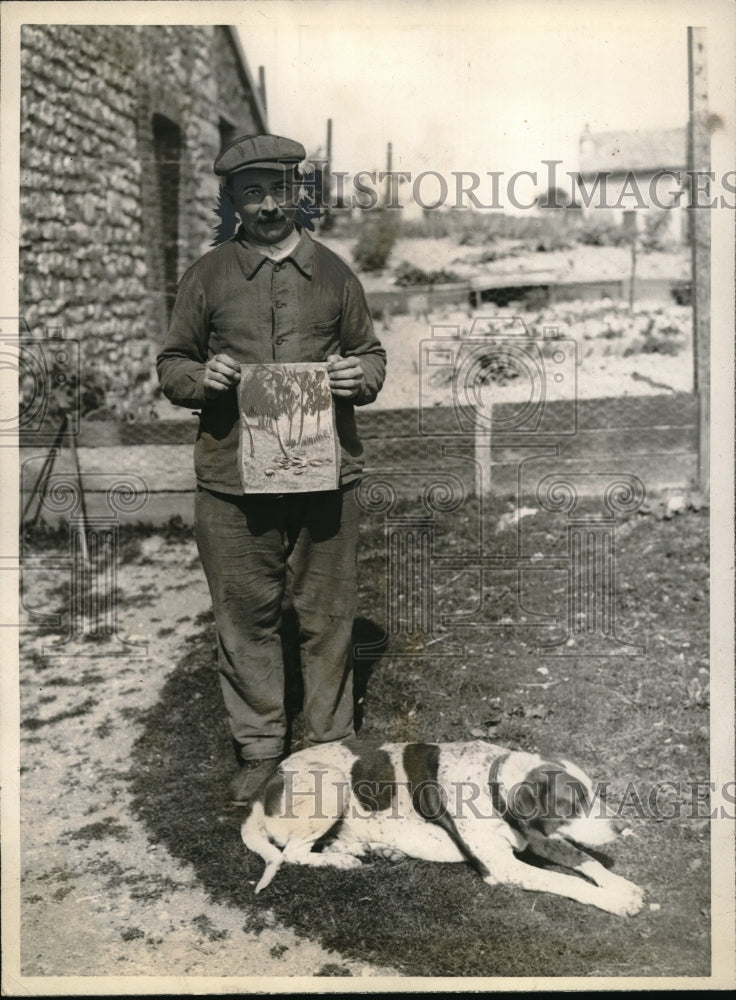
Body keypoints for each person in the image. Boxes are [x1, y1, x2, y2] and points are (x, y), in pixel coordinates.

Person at [156, 134, 386, 803]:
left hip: (326, 479)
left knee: (327, 612)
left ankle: (329, 744)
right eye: (250, 192)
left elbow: (371, 357)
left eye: (279, 190)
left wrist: (353, 375)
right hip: (233, 483)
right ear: (232, 198)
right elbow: (172, 366)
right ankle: (259, 747)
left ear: (299, 193)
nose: (266, 206)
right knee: (244, 613)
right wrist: (206, 376)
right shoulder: (206, 277)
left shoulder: (338, 275)